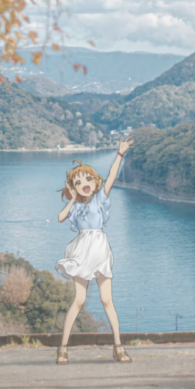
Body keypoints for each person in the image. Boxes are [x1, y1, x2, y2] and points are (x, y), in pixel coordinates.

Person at [54, 137, 133, 365]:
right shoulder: (76, 207)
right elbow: (60, 217)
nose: (85, 183)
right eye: (79, 182)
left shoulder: (100, 199)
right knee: (79, 300)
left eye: (88, 178)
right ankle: (63, 348)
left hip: (99, 248)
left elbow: (112, 177)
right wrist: (71, 198)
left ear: (95, 180)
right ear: (74, 187)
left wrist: (119, 155)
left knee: (107, 300)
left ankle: (118, 347)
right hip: (82, 250)